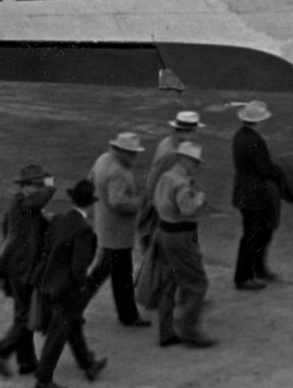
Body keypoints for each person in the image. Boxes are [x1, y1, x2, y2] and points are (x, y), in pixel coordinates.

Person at [33, 180, 106, 388]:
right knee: (59, 332)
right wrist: (82, 288)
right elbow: (79, 267)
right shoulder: (84, 230)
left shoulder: (59, 219)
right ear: (91, 205)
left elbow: (47, 246)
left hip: (49, 283)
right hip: (68, 290)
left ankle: (88, 364)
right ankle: (43, 380)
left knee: (72, 326)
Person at [0, 164, 57, 379]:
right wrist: (50, 183)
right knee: (28, 316)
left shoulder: (24, 206)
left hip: (20, 268)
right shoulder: (22, 203)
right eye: (35, 184)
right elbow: (39, 201)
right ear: (25, 186)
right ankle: (1, 350)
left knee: (23, 313)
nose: (38, 188)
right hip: (22, 269)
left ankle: (26, 361)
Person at [150, 142, 215, 348]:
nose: (196, 166)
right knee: (197, 282)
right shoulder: (182, 183)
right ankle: (189, 327)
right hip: (181, 235)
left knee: (169, 282)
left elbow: (156, 202)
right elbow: (187, 211)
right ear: (185, 160)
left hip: (164, 232)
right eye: (195, 162)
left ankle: (166, 331)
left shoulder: (166, 177)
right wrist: (199, 199)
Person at [84, 131, 151, 328]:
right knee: (117, 274)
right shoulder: (119, 171)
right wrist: (138, 203)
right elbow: (118, 201)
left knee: (108, 272)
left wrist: (100, 197)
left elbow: (90, 179)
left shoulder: (103, 159)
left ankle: (126, 314)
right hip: (118, 231)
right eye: (132, 153)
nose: (135, 156)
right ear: (122, 151)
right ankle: (128, 315)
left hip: (105, 225)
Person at [231, 101, 285, 290]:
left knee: (254, 233)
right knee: (257, 235)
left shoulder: (239, 137)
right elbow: (264, 168)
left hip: (243, 193)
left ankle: (256, 269)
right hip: (256, 195)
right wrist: (278, 173)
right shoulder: (255, 141)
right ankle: (246, 275)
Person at [138, 111, 204, 252]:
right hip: (164, 211)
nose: (195, 136)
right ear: (187, 132)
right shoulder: (173, 153)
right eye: (193, 132)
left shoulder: (168, 143)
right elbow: (157, 182)